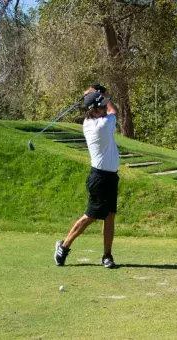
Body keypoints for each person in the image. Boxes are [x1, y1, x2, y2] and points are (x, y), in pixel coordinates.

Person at [54, 85, 119, 268]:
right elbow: (114, 111)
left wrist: (94, 95)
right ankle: (63, 246)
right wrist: (104, 95)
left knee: (110, 215)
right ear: (94, 110)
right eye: (102, 107)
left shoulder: (90, 121)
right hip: (99, 178)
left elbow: (102, 107)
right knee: (90, 216)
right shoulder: (102, 125)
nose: (105, 108)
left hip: (110, 177)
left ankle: (107, 255)